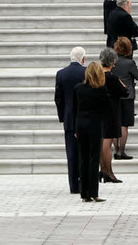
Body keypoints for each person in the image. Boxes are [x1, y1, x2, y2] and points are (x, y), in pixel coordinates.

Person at [73, 61, 110, 202]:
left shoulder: (78, 88)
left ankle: (84, 193)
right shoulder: (101, 89)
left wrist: (76, 128)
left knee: (83, 158)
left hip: (81, 125)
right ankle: (94, 192)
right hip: (95, 125)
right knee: (94, 158)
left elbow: (75, 109)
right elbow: (107, 107)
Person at [54, 46, 86, 195]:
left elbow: (58, 99)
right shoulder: (86, 72)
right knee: (84, 152)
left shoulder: (61, 74)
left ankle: (73, 185)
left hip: (69, 118)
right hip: (84, 116)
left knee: (71, 153)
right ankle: (84, 182)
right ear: (83, 59)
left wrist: (62, 116)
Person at [111, 37, 138, 160]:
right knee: (124, 125)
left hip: (114, 96)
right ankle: (121, 151)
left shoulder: (112, 62)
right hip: (128, 96)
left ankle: (115, 148)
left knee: (114, 123)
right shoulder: (130, 63)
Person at [99, 48, 127, 184]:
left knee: (102, 141)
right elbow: (125, 91)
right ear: (112, 62)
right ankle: (108, 172)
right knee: (107, 141)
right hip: (111, 111)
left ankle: (103, 169)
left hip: (100, 111)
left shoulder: (97, 76)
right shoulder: (111, 77)